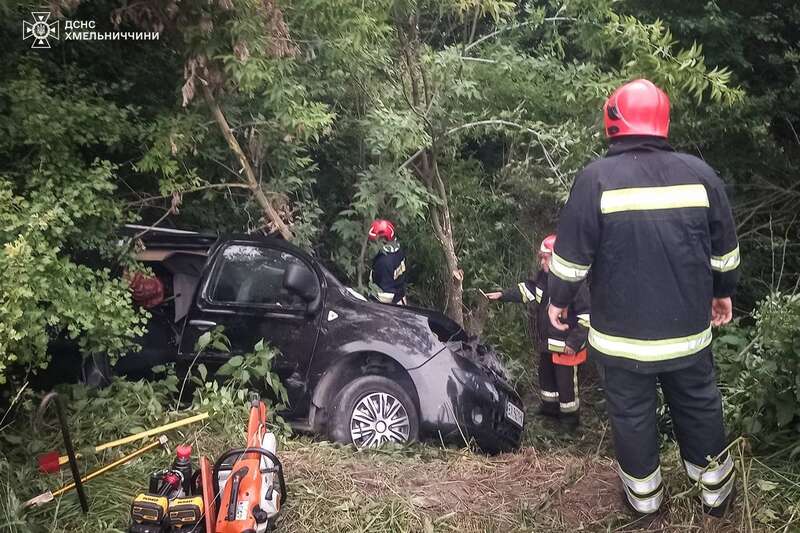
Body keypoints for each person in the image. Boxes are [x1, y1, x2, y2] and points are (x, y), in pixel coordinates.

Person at [547, 79, 740, 516]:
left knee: (632, 418)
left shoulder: (595, 179)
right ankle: (716, 498)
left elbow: (571, 259)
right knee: (699, 406)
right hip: (688, 335)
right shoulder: (700, 175)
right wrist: (722, 293)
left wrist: (558, 300)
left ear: (613, 121)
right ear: (662, 121)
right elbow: (725, 253)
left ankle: (645, 505)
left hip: (622, 341)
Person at [485, 234, 590, 431]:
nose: (542, 262)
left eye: (545, 258)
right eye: (541, 257)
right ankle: (549, 410)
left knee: (566, 385)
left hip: (566, 347)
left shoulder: (575, 284)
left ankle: (569, 421)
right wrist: (503, 295)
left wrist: (573, 343)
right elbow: (528, 291)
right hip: (548, 343)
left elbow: (586, 318)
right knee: (546, 378)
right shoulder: (543, 278)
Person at [368, 219, 408, 305]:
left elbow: (386, 296)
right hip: (400, 298)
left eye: (374, 241)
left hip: (389, 306)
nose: (371, 244)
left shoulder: (384, 262)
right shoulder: (397, 250)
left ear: (383, 240)